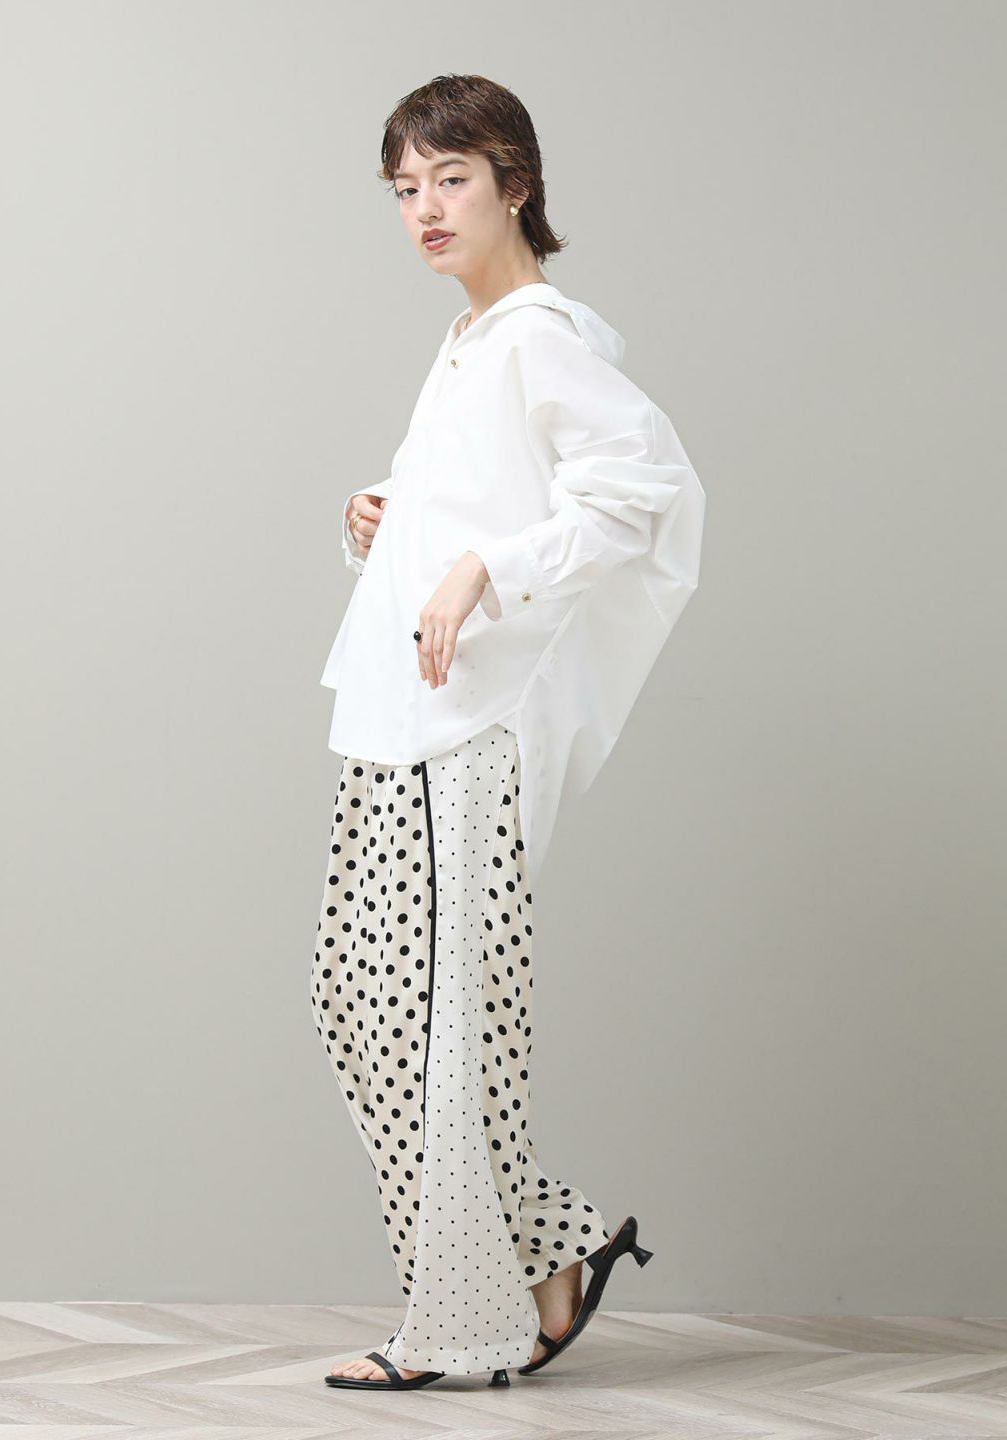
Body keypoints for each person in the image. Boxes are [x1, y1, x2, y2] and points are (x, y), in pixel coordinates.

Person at [310, 73, 706, 1393]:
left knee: (435, 1021)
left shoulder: (538, 334)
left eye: (452, 179)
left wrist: (486, 570)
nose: (425, 208)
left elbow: (641, 494)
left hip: (466, 732)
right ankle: (547, 1248)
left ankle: (464, 1320)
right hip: (398, 719)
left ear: (515, 185)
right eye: (404, 188)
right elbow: (477, 493)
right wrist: (382, 516)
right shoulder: (471, 340)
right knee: (370, 1007)